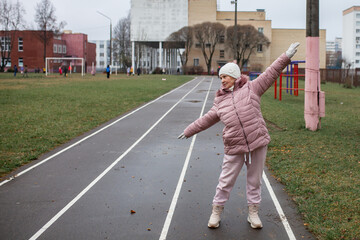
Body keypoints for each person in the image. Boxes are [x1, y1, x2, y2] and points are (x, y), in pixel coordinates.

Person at [178, 42, 300, 229]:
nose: (222, 80)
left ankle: (253, 213)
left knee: (254, 181)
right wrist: (189, 131)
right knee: (225, 181)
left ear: (235, 77)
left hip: (257, 142)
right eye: (221, 77)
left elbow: (271, 72)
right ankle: (216, 211)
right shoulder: (219, 100)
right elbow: (207, 119)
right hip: (234, 146)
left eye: (225, 76)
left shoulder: (253, 88)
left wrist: (287, 55)